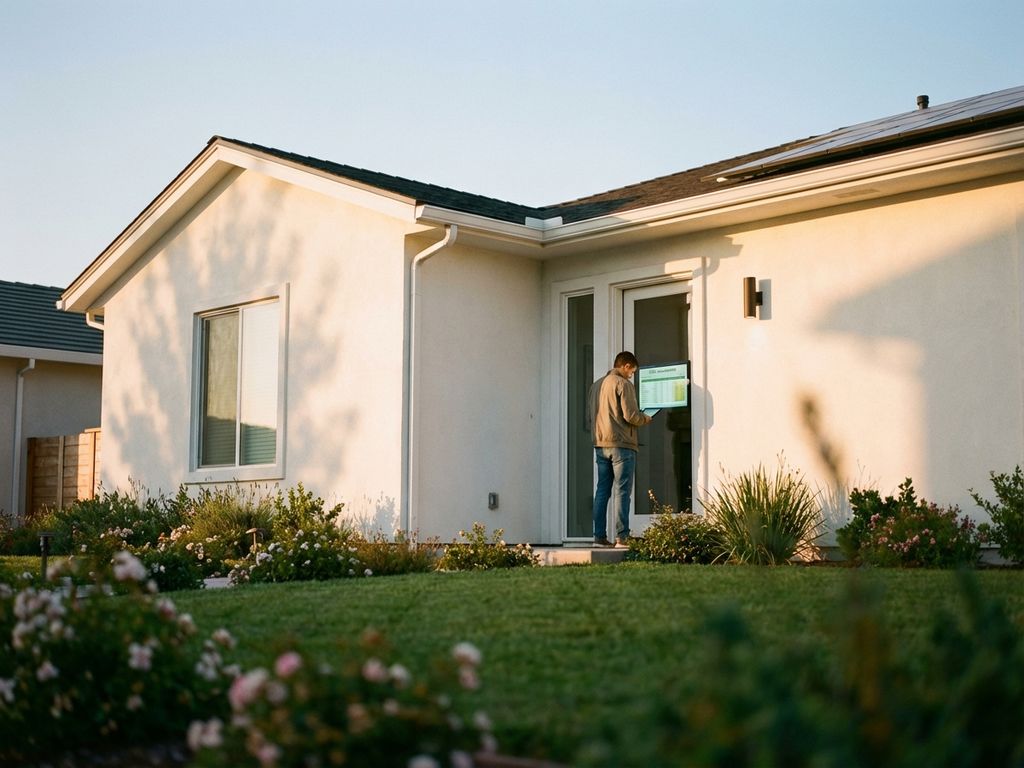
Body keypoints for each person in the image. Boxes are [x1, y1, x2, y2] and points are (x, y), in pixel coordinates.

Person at [588, 351, 653, 547]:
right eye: (632, 371)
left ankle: (599, 537)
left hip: (601, 445)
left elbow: (589, 416)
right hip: (621, 446)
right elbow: (631, 415)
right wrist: (645, 418)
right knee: (622, 491)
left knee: (602, 491)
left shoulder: (596, 385)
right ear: (625, 366)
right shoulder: (623, 384)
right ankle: (622, 537)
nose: (631, 375)